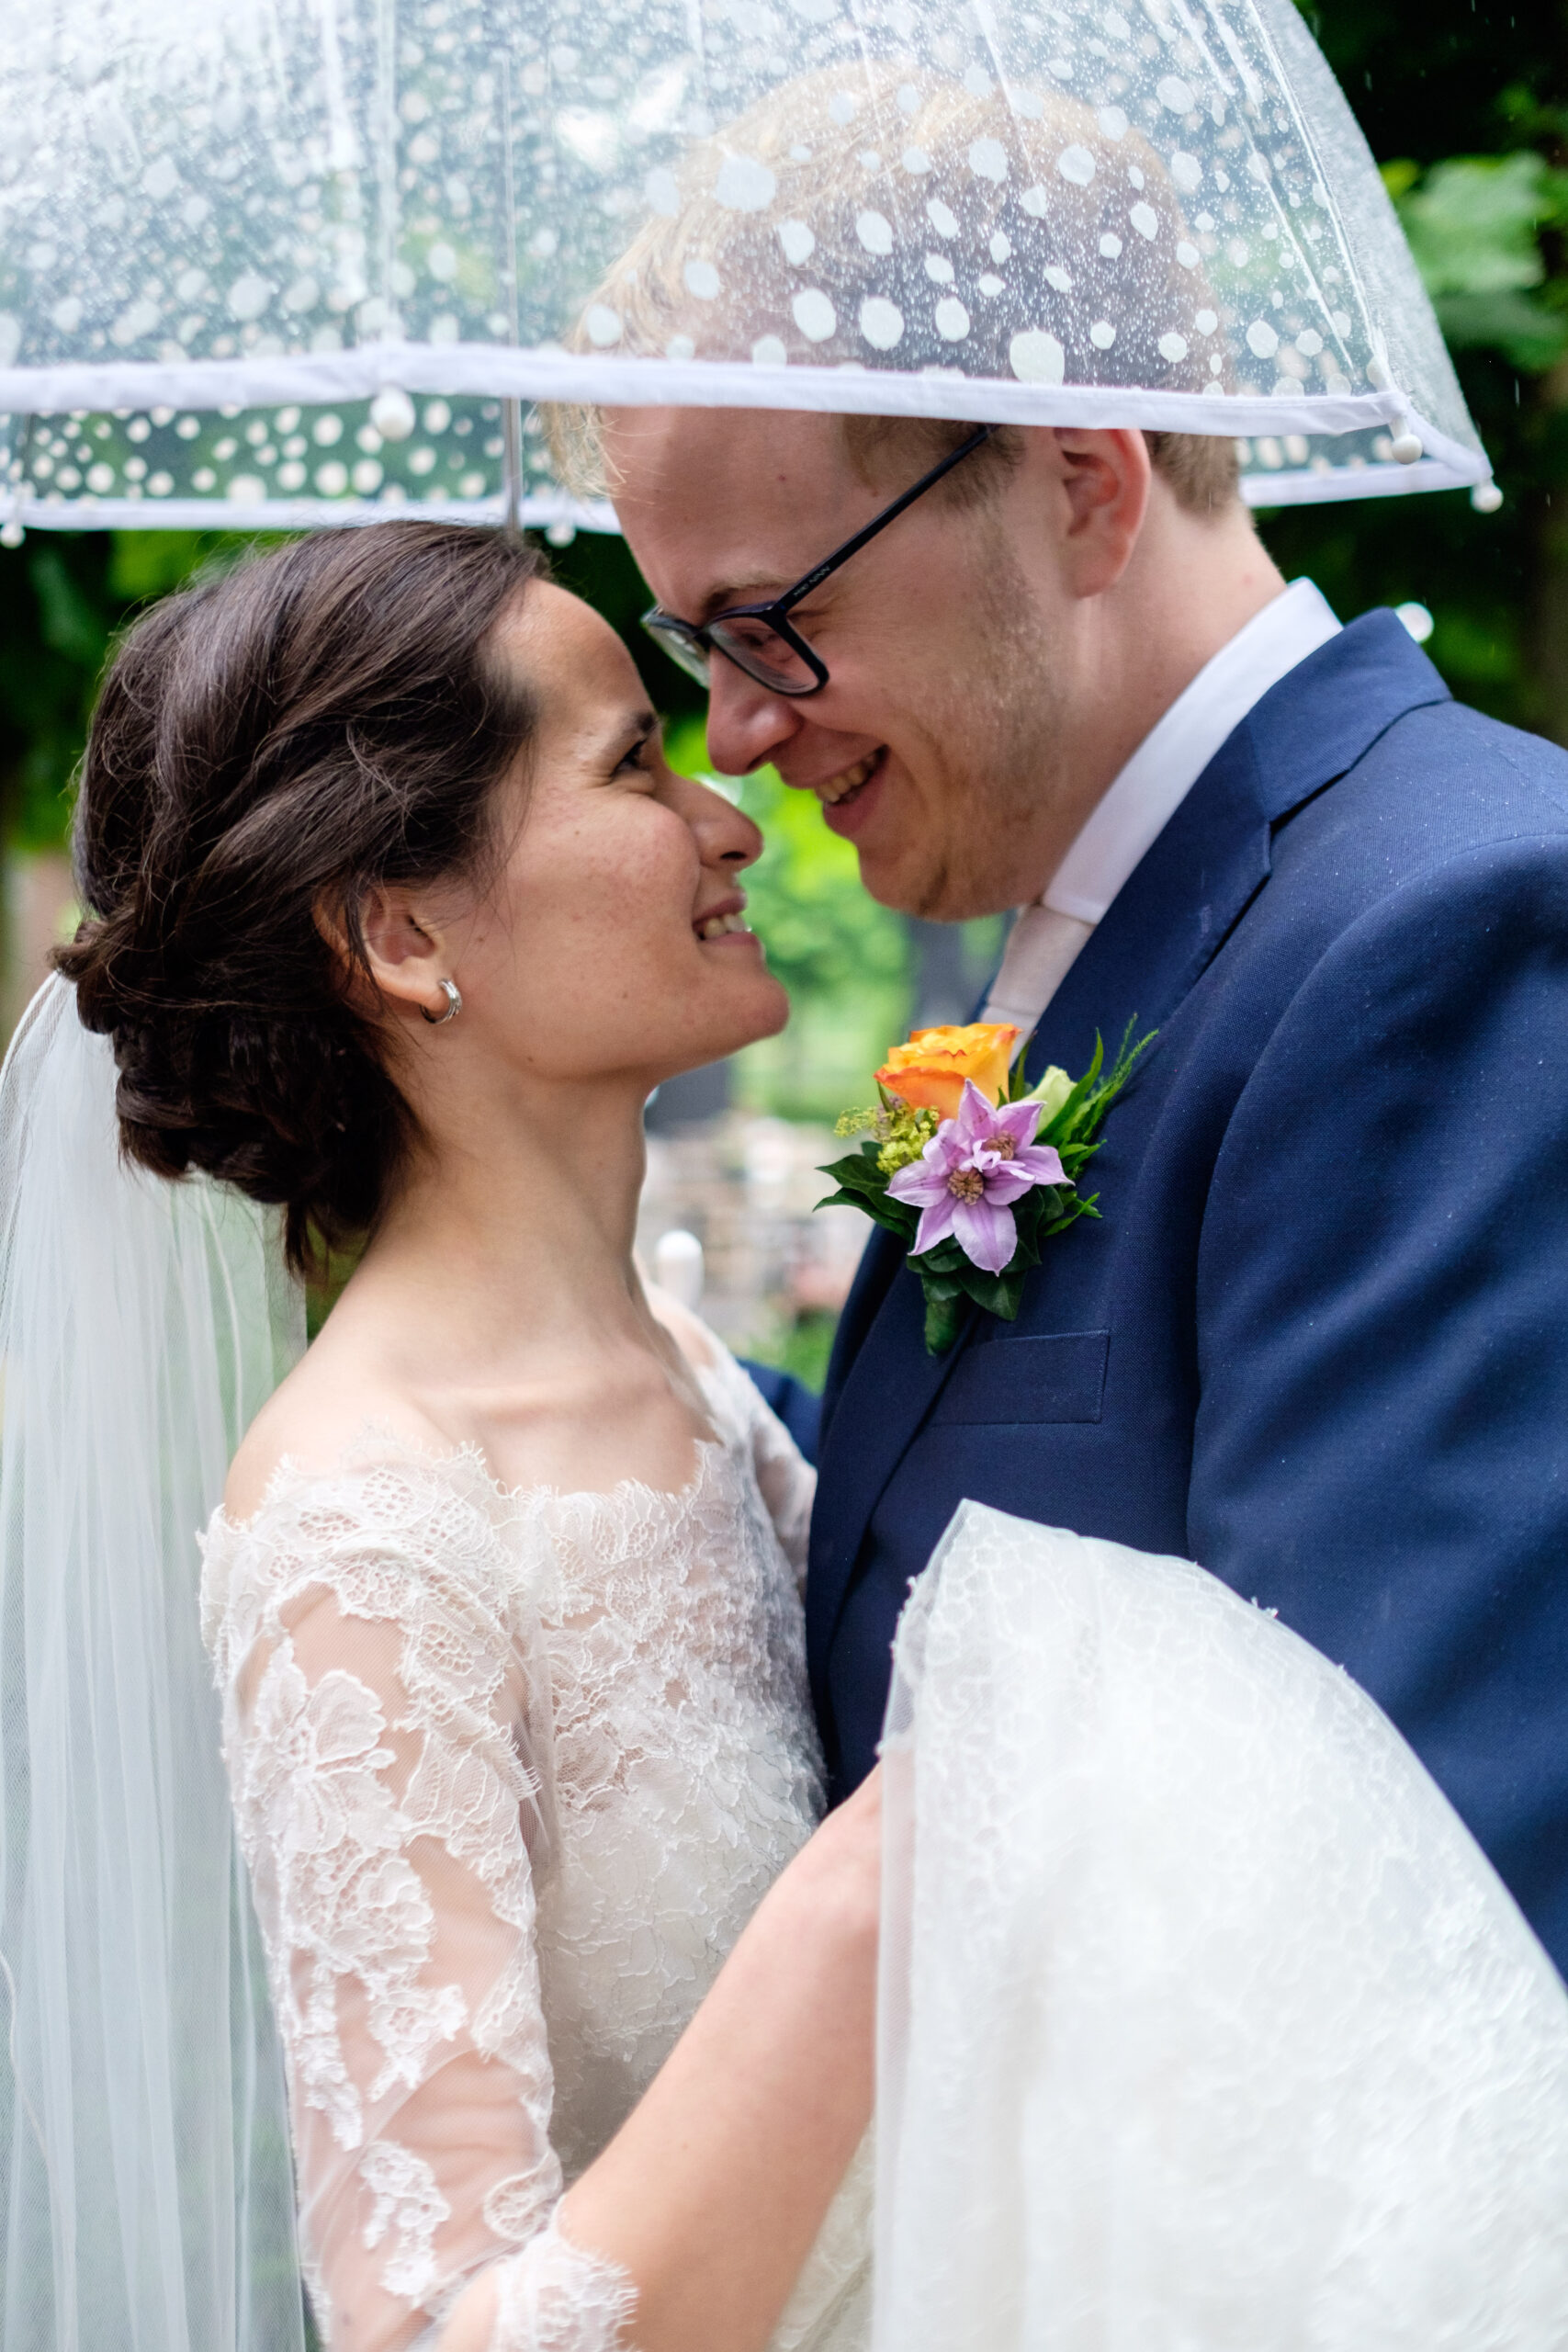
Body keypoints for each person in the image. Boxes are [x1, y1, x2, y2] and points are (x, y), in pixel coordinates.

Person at [595, 251, 1568, 1975]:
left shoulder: (1457, 928)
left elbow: (1402, 1913)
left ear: (1080, 491)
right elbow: (986, 1505)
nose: (732, 737)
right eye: (696, 643)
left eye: (767, 626)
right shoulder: (1107, 928)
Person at [41, 522, 878, 2352]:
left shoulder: (682, 1365)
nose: (731, 814)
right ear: (404, 934)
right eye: (629, 763)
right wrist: (853, 1926)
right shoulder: (367, 1519)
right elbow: (430, 2320)